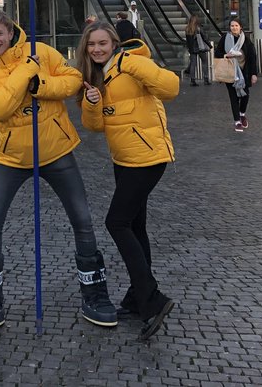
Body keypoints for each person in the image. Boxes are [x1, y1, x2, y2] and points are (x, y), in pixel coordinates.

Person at [0, 7, 117, 332]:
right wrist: (24, 75)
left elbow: (74, 79)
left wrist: (41, 83)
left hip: (56, 149)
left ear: (10, 32)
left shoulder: (41, 52)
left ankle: (95, 294)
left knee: (83, 221)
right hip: (11, 157)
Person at [78, 23, 179, 341]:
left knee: (116, 222)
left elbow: (171, 87)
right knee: (135, 226)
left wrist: (130, 61)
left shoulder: (133, 65)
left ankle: (151, 297)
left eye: (103, 43)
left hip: (148, 158)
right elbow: (95, 126)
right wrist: (92, 102)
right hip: (124, 159)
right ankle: (138, 298)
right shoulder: (96, 76)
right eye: (92, 44)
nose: (97, 49)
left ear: (114, 43)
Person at [214, 19, 258, 132]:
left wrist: (254, 74)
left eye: (236, 25)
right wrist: (226, 55)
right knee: (233, 97)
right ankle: (237, 121)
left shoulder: (246, 40)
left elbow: (252, 57)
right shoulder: (225, 38)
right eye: (232, 26)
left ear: (241, 27)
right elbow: (217, 53)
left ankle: (242, 113)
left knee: (245, 95)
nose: (234, 28)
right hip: (230, 71)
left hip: (244, 72)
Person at [183, 13, 210, 85]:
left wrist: (189, 48)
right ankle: (206, 79)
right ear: (197, 20)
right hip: (200, 48)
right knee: (204, 62)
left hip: (192, 49)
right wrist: (209, 45)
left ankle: (192, 80)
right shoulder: (198, 28)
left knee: (193, 64)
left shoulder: (187, 28)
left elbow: (187, 41)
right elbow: (204, 38)